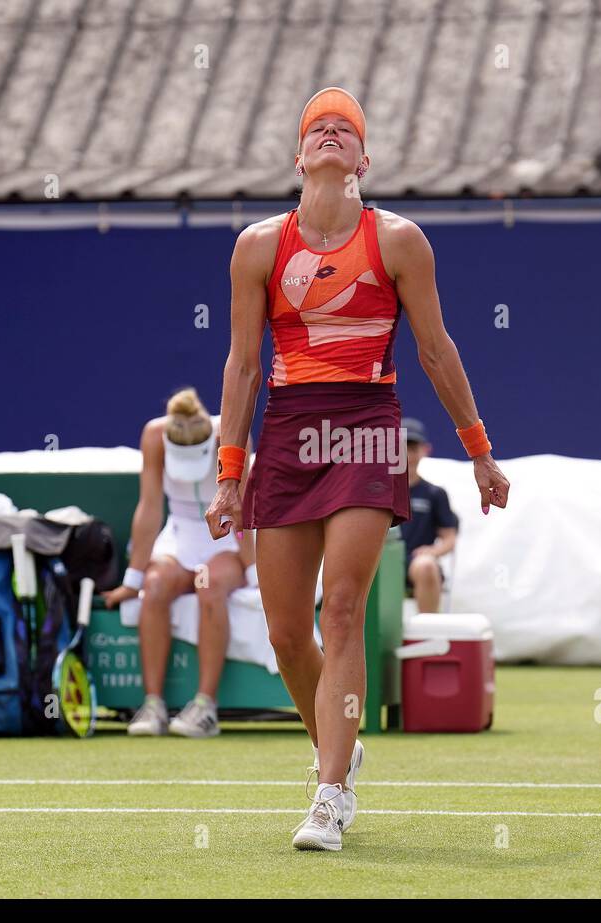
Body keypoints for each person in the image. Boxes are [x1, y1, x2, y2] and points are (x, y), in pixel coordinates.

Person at [206, 87, 511, 851]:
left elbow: (437, 352)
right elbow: (243, 366)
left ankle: (330, 794)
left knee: (340, 609)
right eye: (318, 127)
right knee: (283, 632)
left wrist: (479, 453)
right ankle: (336, 746)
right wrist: (228, 471)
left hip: (367, 426)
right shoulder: (258, 247)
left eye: (346, 127)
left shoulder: (401, 241)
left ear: (363, 160)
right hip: (287, 428)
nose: (331, 131)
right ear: (300, 157)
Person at [103, 387, 256, 739]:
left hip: (226, 538)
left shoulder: (229, 433)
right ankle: (152, 705)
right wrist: (134, 578)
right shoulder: (155, 435)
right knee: (154, 587)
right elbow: (150, 506)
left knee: (209, 585)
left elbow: (244, 502)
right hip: (179, 535)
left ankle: (205, 707)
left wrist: (251, 570)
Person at [399, 417, 459, 614]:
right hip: (379, 561)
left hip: (414, 561)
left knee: (426, 566)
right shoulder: (376, 489)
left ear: (426, 450)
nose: (408, 454)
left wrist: (432, 553)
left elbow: (449, 538)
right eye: (402, 446)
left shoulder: (434, 494)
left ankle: (428, 637)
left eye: (413, 447)